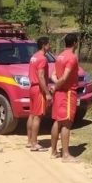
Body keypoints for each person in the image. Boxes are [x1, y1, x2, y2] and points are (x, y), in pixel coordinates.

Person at [50, 33, 79, 162]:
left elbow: (53, 75)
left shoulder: (59, 56)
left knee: (57, 121)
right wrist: (57, 86)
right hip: (67, 93)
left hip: (58, 94)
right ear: (74, 43)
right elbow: (65, 77)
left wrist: (55, 85)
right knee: (66, 123)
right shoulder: (71, 57)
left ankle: (54, 151)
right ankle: (65, 155)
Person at [26, 37, 52, 151]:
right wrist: (47, 92)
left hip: (32, 87)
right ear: (44, 45)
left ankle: (29, 140)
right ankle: (34, 143)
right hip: (38, 89)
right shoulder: (42, 58)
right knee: (38, 116)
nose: (50, 46)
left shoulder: (34, 57)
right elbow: (41, 76)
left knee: (32, 114)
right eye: (48, 44)